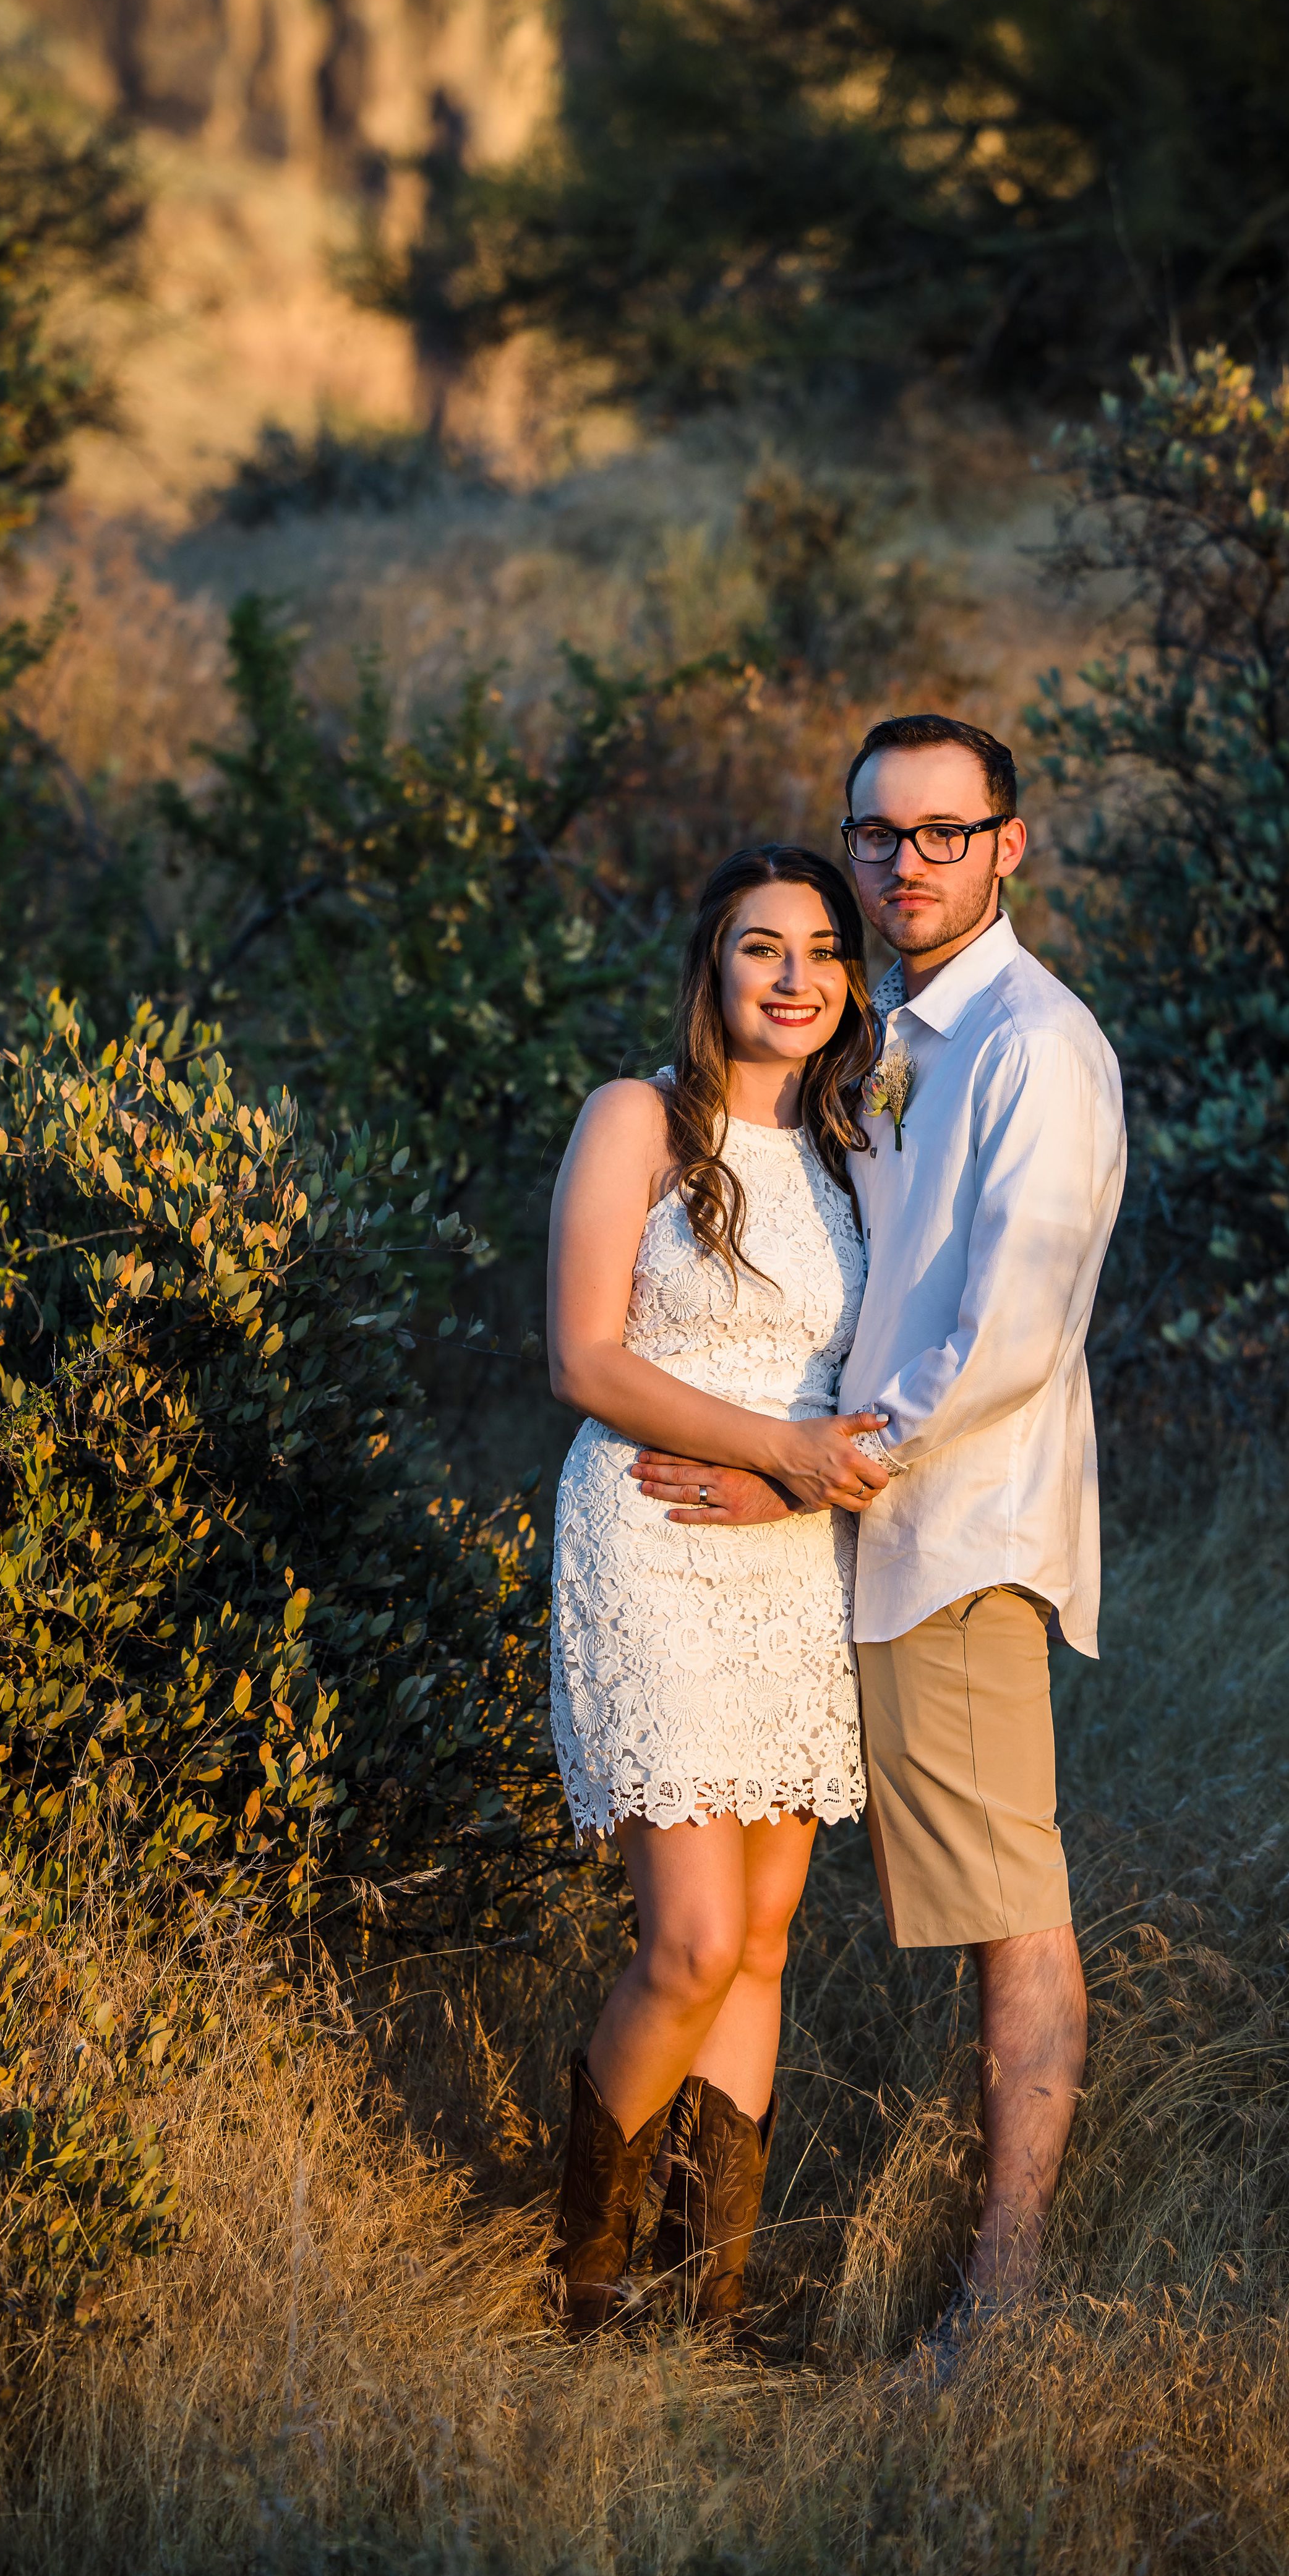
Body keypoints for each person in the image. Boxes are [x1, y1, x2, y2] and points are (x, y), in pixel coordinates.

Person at [633, 715, 1126, 2343]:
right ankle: (689, 2288)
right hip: (859, 1536)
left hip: (951, 1533)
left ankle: (1001, 2306)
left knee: (1008, 1909)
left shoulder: (1034, 1045)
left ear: (1010, 843)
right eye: (876, 834)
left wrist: (815, 1468)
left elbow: (1009, 1328)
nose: (904, 862)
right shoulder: (904, 1029)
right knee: (759, 1928)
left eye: (940, 831)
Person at [542, 842, 889, 2337]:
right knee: (686, 1940)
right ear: (713, 969)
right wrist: (779, 1453)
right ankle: (587, 2286)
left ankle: (709, 2299)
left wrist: (803, 1480)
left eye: (823, 950)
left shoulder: (859, 1152)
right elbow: (587, 1360)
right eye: (763, 948)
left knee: (760, 1941)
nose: (796, 977)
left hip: (798, 1556)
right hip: (656, 1534)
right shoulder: (638, 1118)